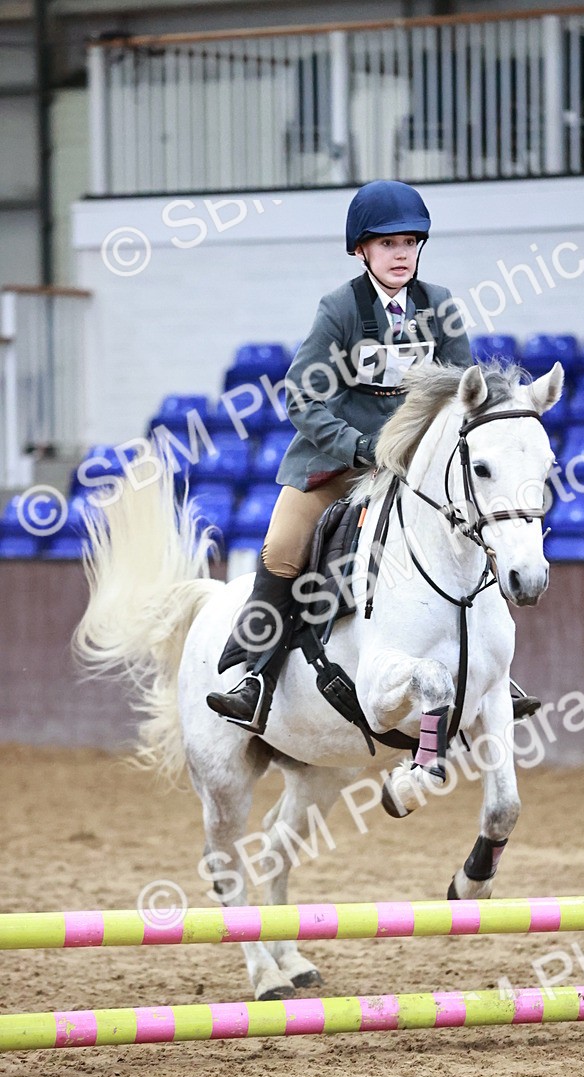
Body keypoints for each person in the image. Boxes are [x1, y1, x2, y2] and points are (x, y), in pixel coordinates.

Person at [207, 179, 474, 734]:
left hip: (411, 468)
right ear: (361, 250)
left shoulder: (440, 305)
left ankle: (491, 673)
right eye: (386, 244)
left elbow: (459, 392)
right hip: (338, 462)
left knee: (475, 528)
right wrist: (357, 448)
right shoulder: (339, 309)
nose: (400, 254)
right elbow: (302, 396)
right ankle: (253, 678)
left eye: (409, 243)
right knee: (282, 547)